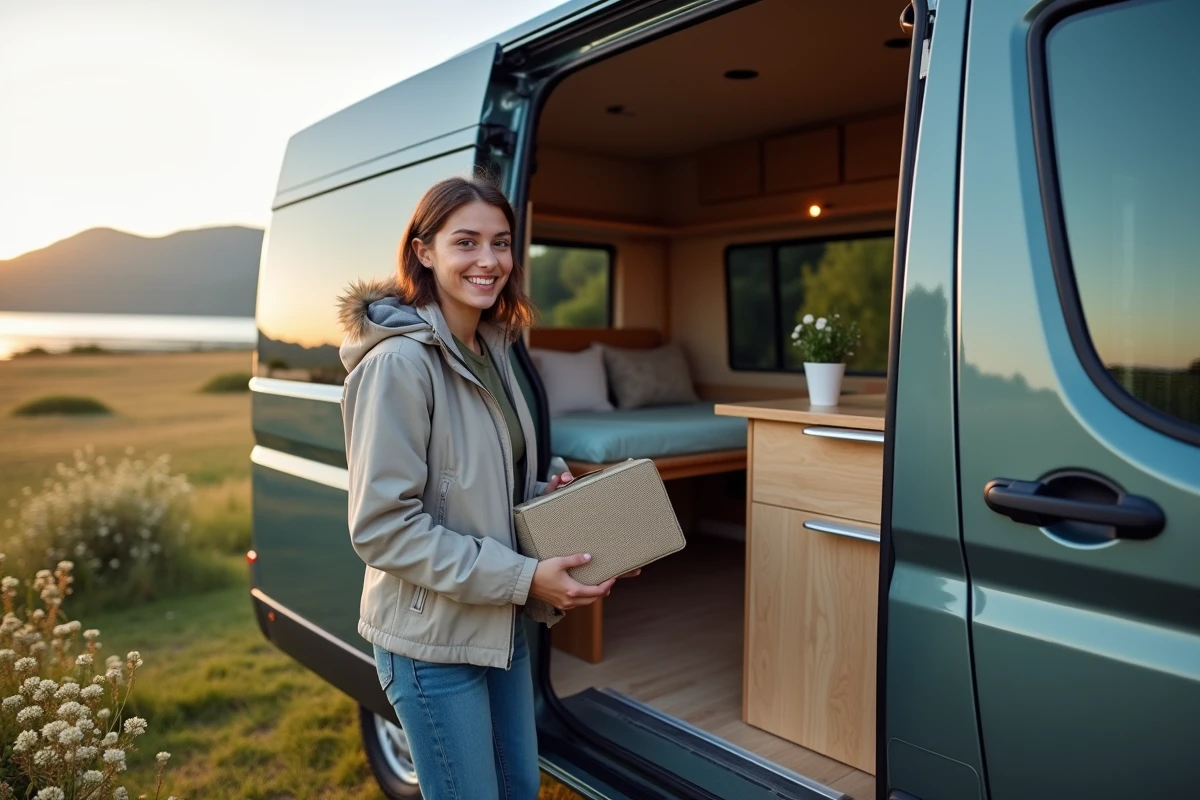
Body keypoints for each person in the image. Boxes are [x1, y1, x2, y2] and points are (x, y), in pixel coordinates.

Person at [335, 174, 639, 800]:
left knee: (517, 788)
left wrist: (557, 498)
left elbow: (485, 476)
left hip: (497, 624)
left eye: (501, 244)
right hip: (431, 646)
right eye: (466, 242)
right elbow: (382, 529)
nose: (489, 260)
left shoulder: (493, 346)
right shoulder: (398, 365)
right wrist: (526, 578)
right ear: (424, 252)